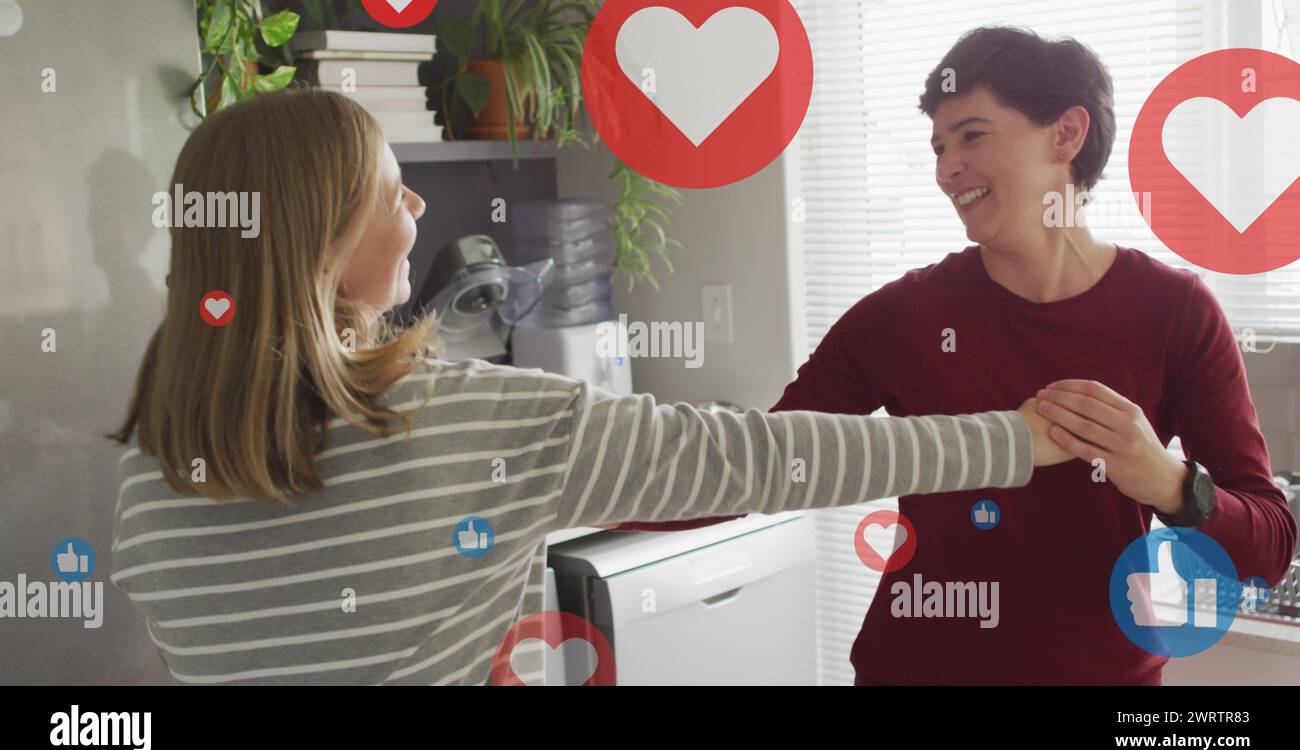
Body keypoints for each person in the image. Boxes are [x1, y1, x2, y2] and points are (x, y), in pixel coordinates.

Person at [106, 88, 1069, 685]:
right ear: (323, 238)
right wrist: (1017, 438)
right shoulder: (463, 419)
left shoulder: (151, 477)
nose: (415, 205)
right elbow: (763, 459)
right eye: (390, 189)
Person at [617, 25, 1297, 685]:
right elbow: (756, 466)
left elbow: (1266, 548)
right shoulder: (903, 315)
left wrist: (1170, 482)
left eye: (972, 136)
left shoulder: (1175, 312)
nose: (946, 169)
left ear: (1066, 133)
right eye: (939, 146)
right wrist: (574, 478)